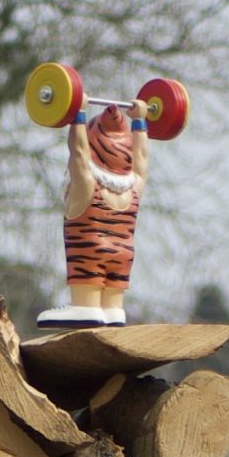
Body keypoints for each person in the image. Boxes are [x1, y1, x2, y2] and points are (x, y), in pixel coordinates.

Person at [36, 100, 149, 328]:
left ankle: (84, 306)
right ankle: (113, 310)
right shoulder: (134, 188)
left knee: (89, 266)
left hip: (90, 256)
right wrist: (139, 122)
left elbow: (78, 152)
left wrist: (79, 114)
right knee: (113, 297)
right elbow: (142, 161)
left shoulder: (87, 185)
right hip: (123, 257)